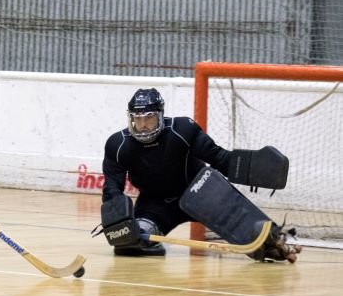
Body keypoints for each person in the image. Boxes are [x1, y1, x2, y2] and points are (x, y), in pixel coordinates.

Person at [96, 88, 302, 263]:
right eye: (137, 118)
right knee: (133, 243)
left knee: (260, 236)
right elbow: (112, 189)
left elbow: (219, 158)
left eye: (148, 118)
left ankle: (277, 240)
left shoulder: (182, 130)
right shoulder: (117, 145)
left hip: (201, 192)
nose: (142, 125)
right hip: (156, 203)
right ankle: (143, 235)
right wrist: (118, 223)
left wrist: (254, 168)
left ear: (160, 116)